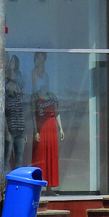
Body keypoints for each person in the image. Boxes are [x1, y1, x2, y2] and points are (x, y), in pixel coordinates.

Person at [31, 52, 65, 189]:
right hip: (41, 125)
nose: (41, 61)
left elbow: (57, 112)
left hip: (51, 126)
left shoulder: (52, 95)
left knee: (51, 156)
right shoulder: (35, 93)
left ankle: (50, 186)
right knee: (40, 155)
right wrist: (35, 131)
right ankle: (38, 185)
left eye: (43, 59)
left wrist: (61, 128)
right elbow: (33, 114)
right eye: (39, 58)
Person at [5, 54, 27, 169]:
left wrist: (24, 130)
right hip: (10, 127)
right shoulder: (6, 90)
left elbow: (22, 111)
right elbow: (3, 113)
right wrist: (6, 131)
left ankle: (17, 183)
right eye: (11, 62)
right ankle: (4, 183)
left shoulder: (19, 93)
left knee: (19, 158)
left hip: (20, 128)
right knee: (7, 158)